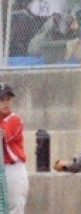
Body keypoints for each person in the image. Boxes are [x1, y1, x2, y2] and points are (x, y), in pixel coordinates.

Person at [0, 84, 28, 214]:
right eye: (2, 99)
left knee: (15, 207)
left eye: (8, 99)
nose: (6, 103)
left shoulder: (14, 119)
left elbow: (3, 134)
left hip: (13, 169)